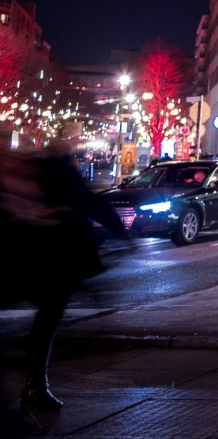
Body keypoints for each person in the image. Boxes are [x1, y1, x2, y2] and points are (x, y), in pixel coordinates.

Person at [1, 141, 130, 409]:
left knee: (50, 313)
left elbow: (86, 200)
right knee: (47, 313)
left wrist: (121, 232)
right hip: (10, 259)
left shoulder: (50, 170)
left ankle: (37, 386)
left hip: (48, 257)